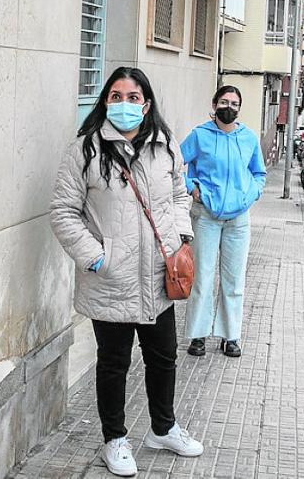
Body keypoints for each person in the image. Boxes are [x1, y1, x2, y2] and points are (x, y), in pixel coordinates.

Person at [50, 67, 204, 477]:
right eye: (115, 96)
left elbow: (177, 195)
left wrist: (180, 239)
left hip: (158, 276)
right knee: (113, 362)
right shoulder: (85, 150)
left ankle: (163, 428)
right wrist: (97, 257)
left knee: (164, 357)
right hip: (110, 279)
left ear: (146, 104)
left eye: (133, 97)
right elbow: (63, 212)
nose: (124, 104)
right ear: (105, 102)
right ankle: (114, 440)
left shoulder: (165, 145)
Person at [180, 86, 267, 358]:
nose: (229, 106)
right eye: (224, 101)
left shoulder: (249, 138)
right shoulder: (200, 135)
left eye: (234, 103)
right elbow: (172, 165)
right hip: (206, 216)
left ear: (240, 108)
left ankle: (231, 336)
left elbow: (259, 174)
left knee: (233, 280)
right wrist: (192, 188)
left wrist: (250, 195)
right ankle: (198, 336)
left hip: (238, 220)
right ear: (214, 104)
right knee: (202, 279)